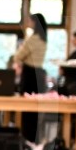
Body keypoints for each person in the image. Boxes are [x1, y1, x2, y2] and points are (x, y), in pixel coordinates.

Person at [13, 12, 48, 142]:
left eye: (30, 21)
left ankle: (26, 140)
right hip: (40, 74)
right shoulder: (44, 39)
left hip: (30, 75)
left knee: (27, 109)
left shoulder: (32, 39)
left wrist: (19, 58)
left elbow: (18, 56)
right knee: (36, 111)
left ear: (35, 23)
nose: (28, 23)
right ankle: (35, 141)